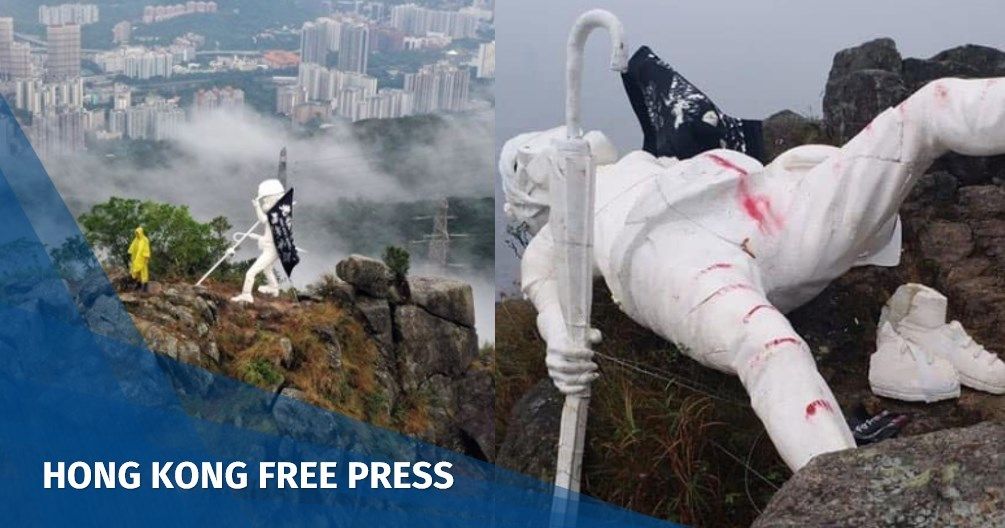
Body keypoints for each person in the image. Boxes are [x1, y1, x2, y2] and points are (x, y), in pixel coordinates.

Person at [501, 77, 1005, 471]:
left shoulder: (653, 161)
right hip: (664, 257)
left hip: (758, 203)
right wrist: (559, 339)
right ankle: (847, 485)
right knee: (770, 349)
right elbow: (548, 292)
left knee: (925, 111)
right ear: (530, 191)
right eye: (530, 158)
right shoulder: (563, 228)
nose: (549, 148)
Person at [230, 179, 284, 304]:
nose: (264, 202)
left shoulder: (276, 215)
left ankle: (246, 295)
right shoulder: (279, 215)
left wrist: (257, 206)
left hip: (272, 250)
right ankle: (274, 288)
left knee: (250, 273)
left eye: (266, 200)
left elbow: (263, 219)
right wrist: (256, 237)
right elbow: (269, 235)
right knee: (267, 269)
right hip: (272, 248)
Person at [128, 226, 150, 292]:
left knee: (144, 273)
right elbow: (132, 248)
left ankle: (145, 287)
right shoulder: (135, 240)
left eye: (138, 232)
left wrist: (146, 258)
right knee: (137, 272)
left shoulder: (145, 240)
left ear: (141, 232)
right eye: (136, 233)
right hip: (136, 259)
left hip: (143, 259)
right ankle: (139, 284)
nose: (137, 234)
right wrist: (130, 254)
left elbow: (146, 249)